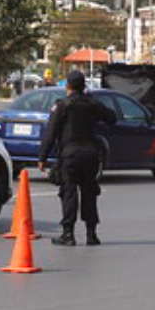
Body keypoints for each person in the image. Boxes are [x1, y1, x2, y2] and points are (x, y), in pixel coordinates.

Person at [38, 71, 117, 246]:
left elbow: (51, 133)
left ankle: (68, 234)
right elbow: (112, 117)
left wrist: (42, 157)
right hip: (90, 155)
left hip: (70, 156)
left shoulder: (62, 105)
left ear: (67, 86)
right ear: (84, 87)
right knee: (89, 193)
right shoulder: (92, 104)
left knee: (69, 193)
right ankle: (91, 234)